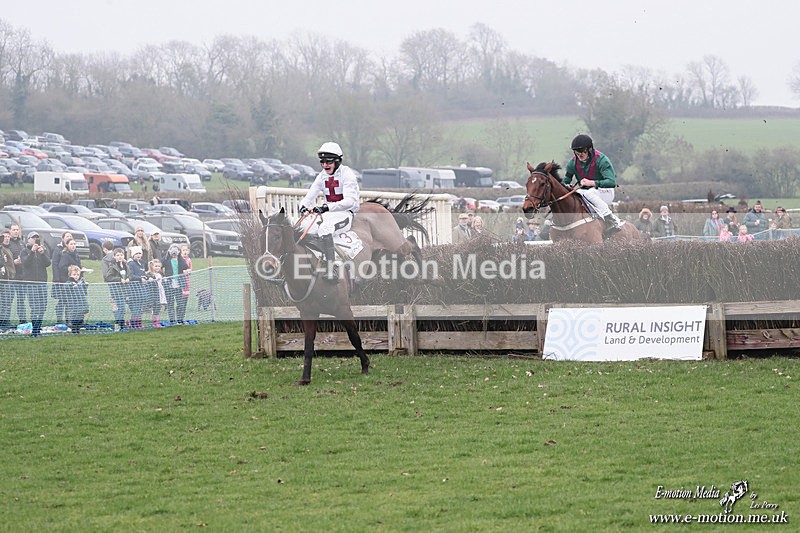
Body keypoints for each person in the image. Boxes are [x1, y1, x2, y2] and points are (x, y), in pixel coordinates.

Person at [297, 141, 360, 282]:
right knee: (303, 228)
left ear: (337, 161)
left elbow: (350, 202)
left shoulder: (347, 174)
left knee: (325, 229)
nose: (325, 165)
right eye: (322, 162)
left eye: (328, 162)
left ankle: (332, 269)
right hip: (329, 214)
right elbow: (310, 194)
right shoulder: (321, 176)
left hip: (345, 214)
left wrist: (327, 207)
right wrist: (303, 206)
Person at [562, 134, 624, 233]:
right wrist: (566, 185)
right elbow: (566, 180)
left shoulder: (602, 160)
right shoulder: (572, 163)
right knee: (575, 195)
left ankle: (610, 219)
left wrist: (591, 183)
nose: (580, 154)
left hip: (605, 192)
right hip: (585, 193)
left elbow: (611, 182)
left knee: (589, 193)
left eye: (583, 151)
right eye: (577, 151)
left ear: (590, 149)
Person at [19, 231, 50, 337]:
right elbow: (25, 263)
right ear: (28, 239)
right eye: (33, 238)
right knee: (34, 307)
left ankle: (38, 329)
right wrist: (32, 252)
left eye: (37, 238)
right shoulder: (24, 251)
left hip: (42, 283)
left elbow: (47, 263)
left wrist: (42, 253)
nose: (35, 240)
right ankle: (34, 330)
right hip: (31, 283)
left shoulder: (43, 250)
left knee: (42, 307)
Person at [163, 244, 191, 325]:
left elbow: (185, 266)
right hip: (169, 284)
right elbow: (162, 263)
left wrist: (179, 257)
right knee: (170, 303)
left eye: (176, 250)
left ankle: (180, 319)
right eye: (172, 249)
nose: (174, 252)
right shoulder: (167, 259)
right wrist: (168, 254)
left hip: (179, 284)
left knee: (180, 303)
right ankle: (172, 320)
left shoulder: (180, 260)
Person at [50, 231, 74, 324]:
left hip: (70, 279)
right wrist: (57, 279)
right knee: (62, 300)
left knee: (69, 300)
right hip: (61, 279)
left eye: (70, 236)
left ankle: (69, 320)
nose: (69, 237)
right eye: (67, 236)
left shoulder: (73, 249)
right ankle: (59, 320)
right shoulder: (58, 249)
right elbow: (55, 264)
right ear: (63, 238)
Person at [105, 247, 130, 331]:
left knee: (122, 309)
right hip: (116, 291)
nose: (120, 257)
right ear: (114, 257)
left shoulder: (125, 266)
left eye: (121, 255)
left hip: (124, 291)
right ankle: (117, 325)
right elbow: (108, 277)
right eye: (118, 255)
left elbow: (130, 274)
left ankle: (121, 326)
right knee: (121, 308)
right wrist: (119, 280)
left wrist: (128, 279)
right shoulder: (112, 266)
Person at [126, 246, 150, 329]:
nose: (138, 255)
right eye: (136, 253)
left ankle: (138, 323)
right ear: (133, 255)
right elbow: (130, 275)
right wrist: (140, 278)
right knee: (135, 307)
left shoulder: (142, 263)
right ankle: (134, 324)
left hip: (141, 289)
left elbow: (143, 273)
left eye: (139, 253)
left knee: (139, 308)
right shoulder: (131, 264)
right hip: (134, 289)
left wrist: (148, 277)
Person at [7, 223, 26, 325]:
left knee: (21, 300)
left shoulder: (22, 243)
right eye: (13, 230)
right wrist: (13, 262)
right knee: (8, 300)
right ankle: (6, 321)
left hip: (21, 276)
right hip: (11, 276)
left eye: (17, 229)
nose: (15, 231)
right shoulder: (7, 243)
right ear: (10, 231)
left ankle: (22, 320)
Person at [65, 264, 89, 334]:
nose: (76, 276)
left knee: (80, 317)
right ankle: (74, 330)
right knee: (74, 317)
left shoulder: (81, 282)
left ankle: (78, 329)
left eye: (77, 274)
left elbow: (84, 292)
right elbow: (66, 290)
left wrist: (85, 286)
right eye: (74, 274)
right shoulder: (69, 282)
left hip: (81, 303)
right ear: (70, 275)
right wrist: (70, 285)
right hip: (74, 304)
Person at [0, 229, 16, 331]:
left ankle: (6, 322)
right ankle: (3, 323)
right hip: (3, 280)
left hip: (8, 279)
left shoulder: (4, 249)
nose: (5, 239)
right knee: (3, 303)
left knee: (7, 302)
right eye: (3, 237)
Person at [147, 258, 167, 328]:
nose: (157, 268)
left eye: (159, 266)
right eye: (156, 266)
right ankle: (154, 322)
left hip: (160, 292)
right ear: (152, 266)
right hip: (153, 293)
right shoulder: (149, 274)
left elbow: (163, 282)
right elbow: (148, 282)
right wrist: (154, 280)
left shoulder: (160, 274)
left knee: (158, 307)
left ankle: (157, 322)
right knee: (155, 307)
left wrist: (165, 280)